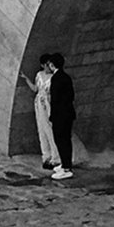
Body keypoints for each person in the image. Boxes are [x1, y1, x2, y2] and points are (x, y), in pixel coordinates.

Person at [23, 54, 59, 168]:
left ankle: (56, 157)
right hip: (39, 103)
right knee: (42, 130)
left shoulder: (54, 77)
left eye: (50, 64)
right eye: (47, 64)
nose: (49, 67)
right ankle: (46, 156)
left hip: (48, 104)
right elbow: (35, 88)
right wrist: (26, 79)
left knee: (50, 130)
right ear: (42, 65)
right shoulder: (39, 75)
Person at [47, 52, 76, 180]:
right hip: (68, 113)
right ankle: (65, 164)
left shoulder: (56, 78)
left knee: (61, 140)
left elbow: (55, 100)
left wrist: (52, 115)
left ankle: (66, 168)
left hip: (60, 115)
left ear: (52, 65)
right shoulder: (66, 77)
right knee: (65, 140)